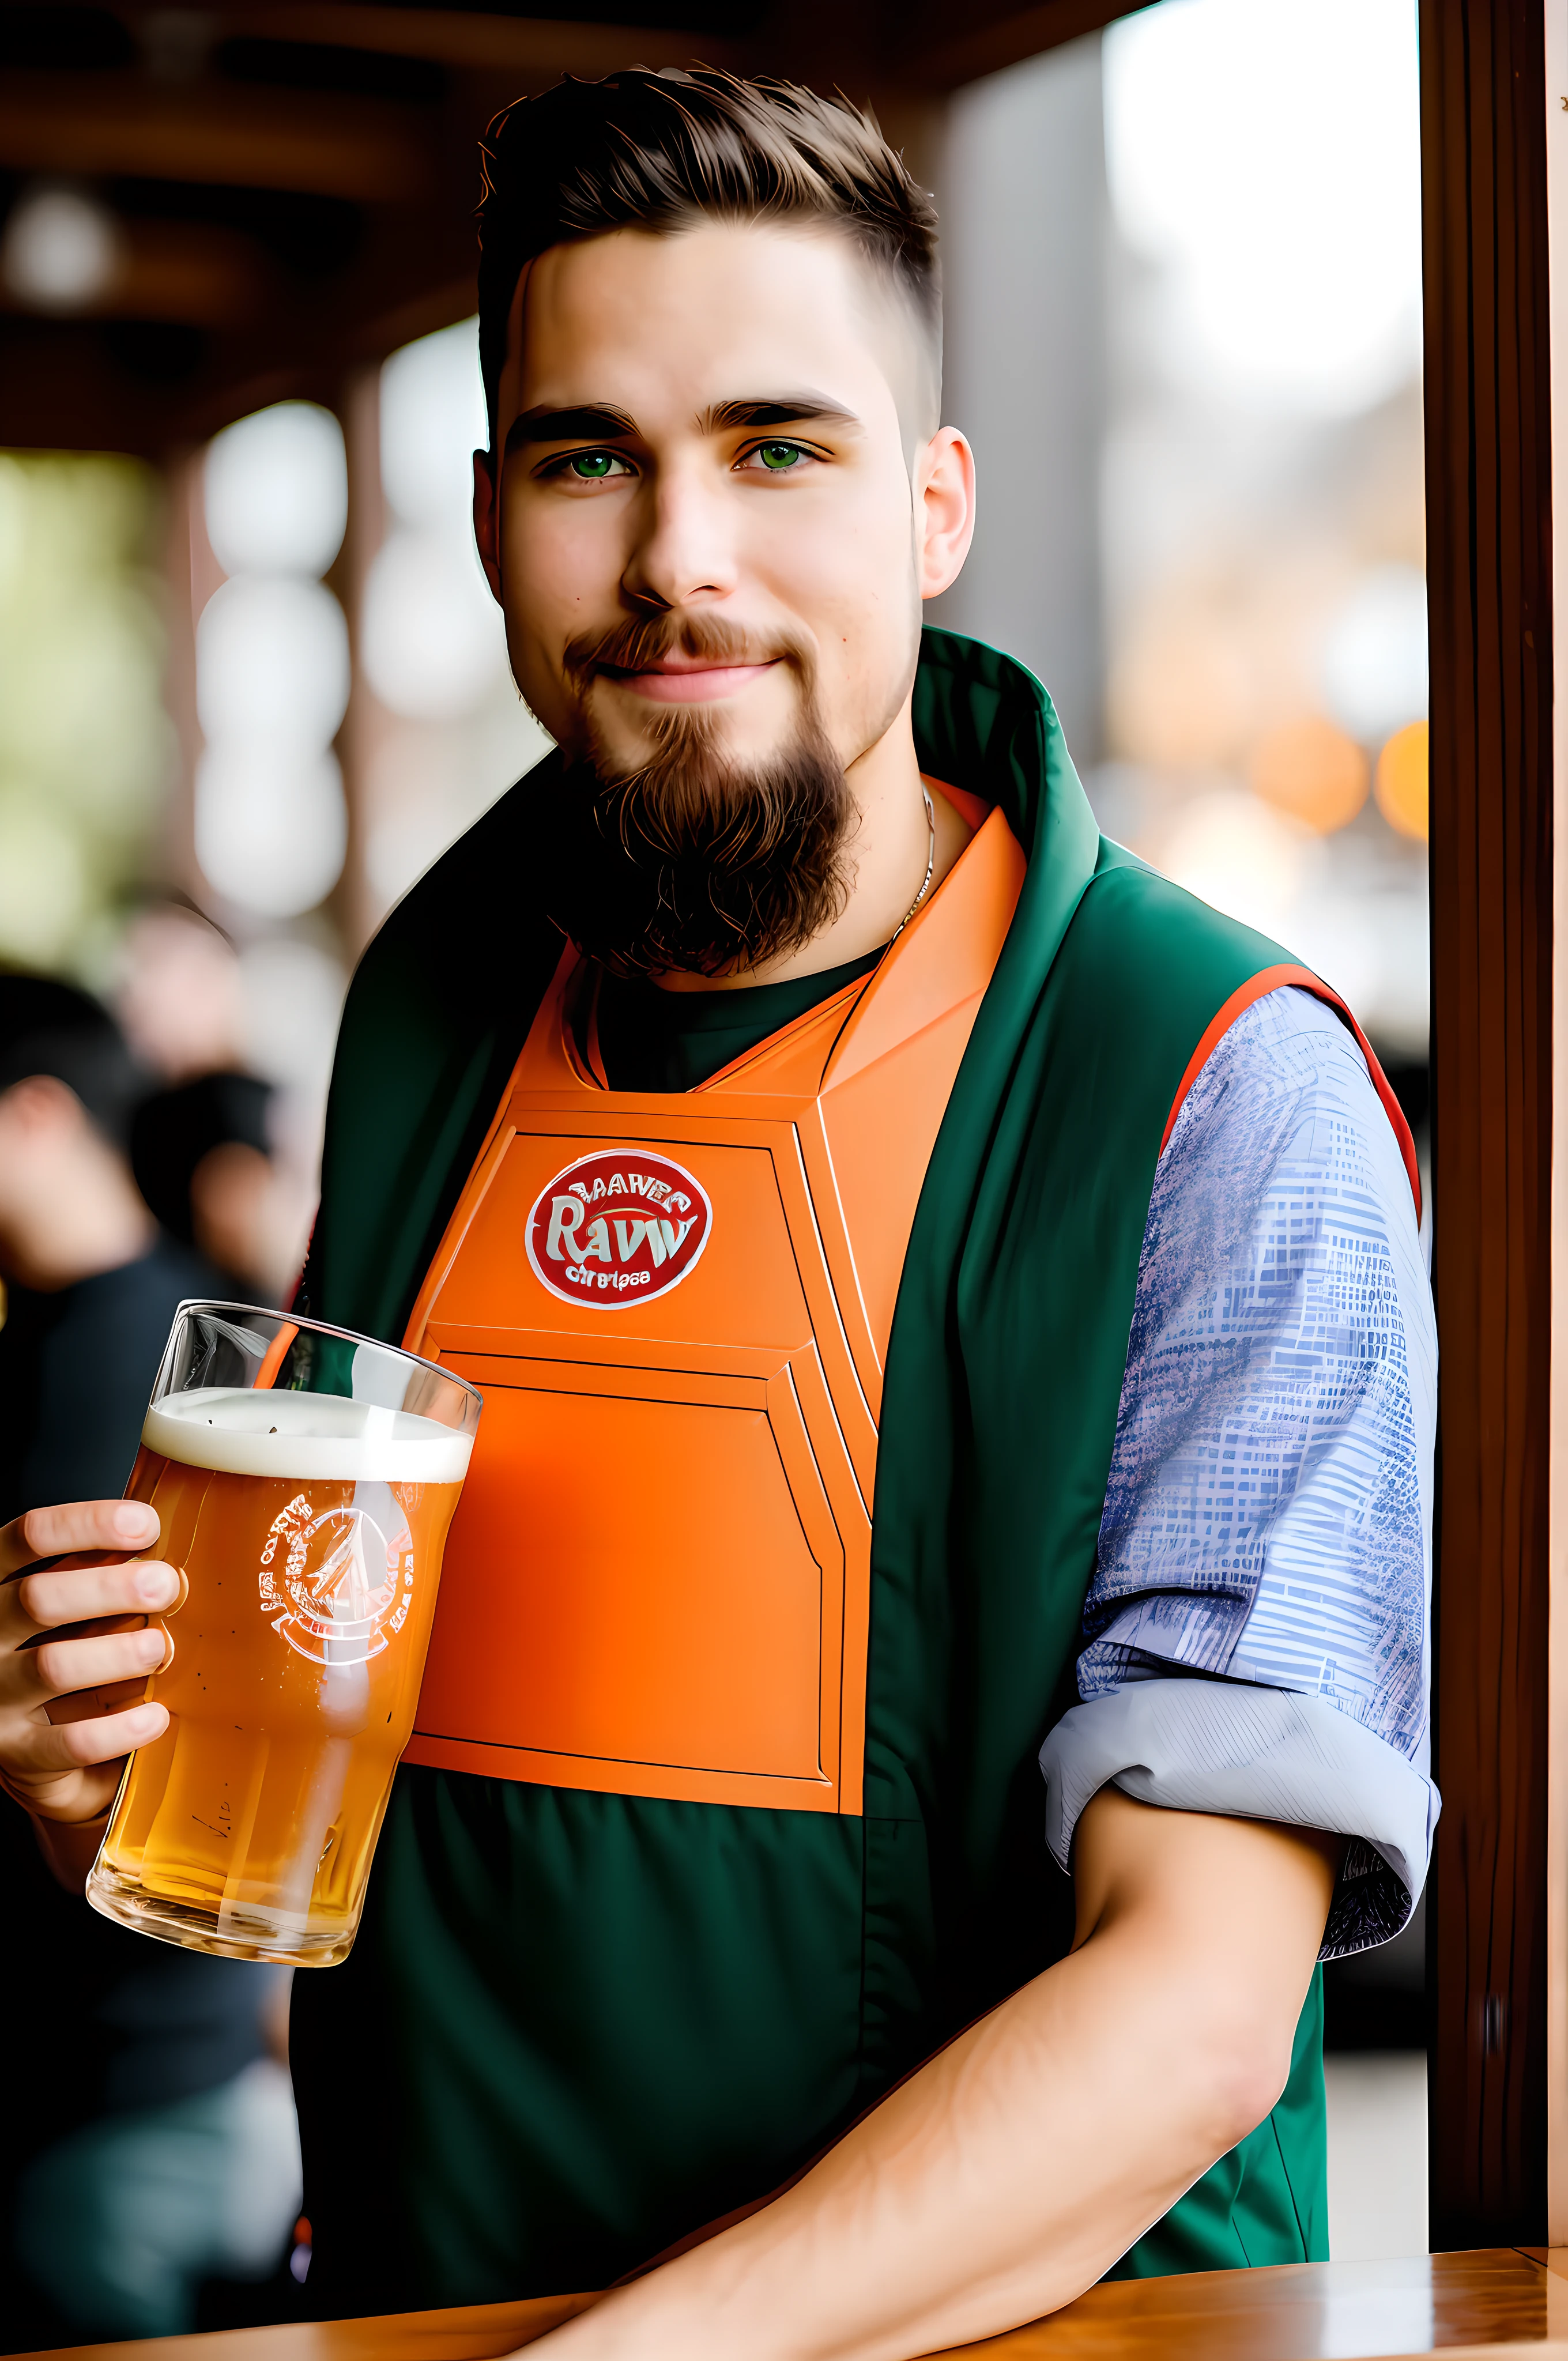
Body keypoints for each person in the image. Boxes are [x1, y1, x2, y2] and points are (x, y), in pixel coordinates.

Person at [0, 73, 1436, 2360]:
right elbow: (320, 1849)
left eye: (782, 446)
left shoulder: (1208, 1078)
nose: (682, 555)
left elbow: (1190, 2010)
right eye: (589, 457)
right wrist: (109, 1804)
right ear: (487, 523)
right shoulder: (434, 1004)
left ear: (933, 503)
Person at [0, 976, 300, 2348]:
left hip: (120, 2075)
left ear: (38, 1117)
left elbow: (127, 1718)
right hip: (164, 2055)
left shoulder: (141, 1365)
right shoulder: (130, 1322)